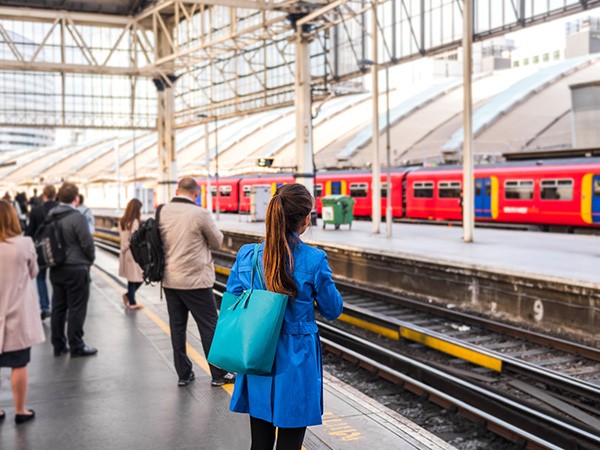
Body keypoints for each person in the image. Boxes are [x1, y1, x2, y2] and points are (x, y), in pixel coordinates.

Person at [226, 183, 343, 450]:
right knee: (290, 442)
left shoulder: (248, 254)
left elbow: (232, 297)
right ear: (304, 219)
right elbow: (333, 309)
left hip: (256, 351)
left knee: (260, 442)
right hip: (296, 357)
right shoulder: (315, 259)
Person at [159, 177, 234, 387]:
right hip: (196, 281)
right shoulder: (199, 214)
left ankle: (184, 374)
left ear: (177, 190)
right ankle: (219, 374)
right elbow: (217, 241)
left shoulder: (162, 211)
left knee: (177, 327)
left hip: (170, 279)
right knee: (209, 326)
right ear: (196, 193)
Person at [0, 200, 45, 424]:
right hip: (17, 314)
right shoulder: (25, 243)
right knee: (19, 363)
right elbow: (34, 272)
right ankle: (20, 410)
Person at [48, 182, 97, 357]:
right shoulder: (78, 217)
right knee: (76, 307)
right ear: (76, 198)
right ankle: (76, 345)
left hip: (56, 268)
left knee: (58, 307)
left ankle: (58, 345)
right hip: (77, 269)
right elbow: (87, 244)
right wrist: (90, 260)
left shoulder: (51, 215)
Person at [25, 184, 59, 320]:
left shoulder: (35, 211)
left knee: (40, 278)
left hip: (41, 250)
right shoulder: (60, 209)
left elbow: (29, 233)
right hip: (58, 249)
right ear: (55, 195)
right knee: (57, 280)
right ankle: (58, 308)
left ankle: (45, 307)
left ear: (43, 196)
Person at [118, 199, 144, 310]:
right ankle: (131, 300)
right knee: (140, 277)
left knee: (131, 278)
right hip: (132, 252)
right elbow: (133, 239)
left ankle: (130, 297)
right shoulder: (135, 222)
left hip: (124, 253)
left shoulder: (121, 221)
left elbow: (122, 237)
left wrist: (123, 248)